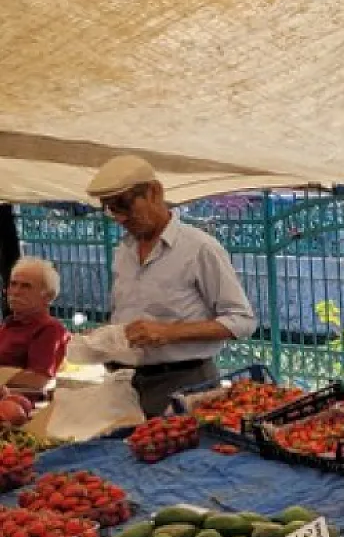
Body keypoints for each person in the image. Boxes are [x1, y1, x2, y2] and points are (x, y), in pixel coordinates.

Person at [85, 156, 257, 417]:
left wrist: (169, 332)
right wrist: (106, 338)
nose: (119, 217)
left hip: (186, 383)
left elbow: (242, 321)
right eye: (109, 209)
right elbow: (128, 315)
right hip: (128, 384)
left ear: (155, 192)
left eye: (123, 204)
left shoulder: (199, 248)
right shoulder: (124, 251)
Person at [0, 257, 70, 392]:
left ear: (48, 296)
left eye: (26, 286)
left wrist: (3, 375)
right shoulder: (10, 324)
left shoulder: (49, 329)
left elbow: (39, 379)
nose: (15, 291)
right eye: (13, 284)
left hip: (18, 404)